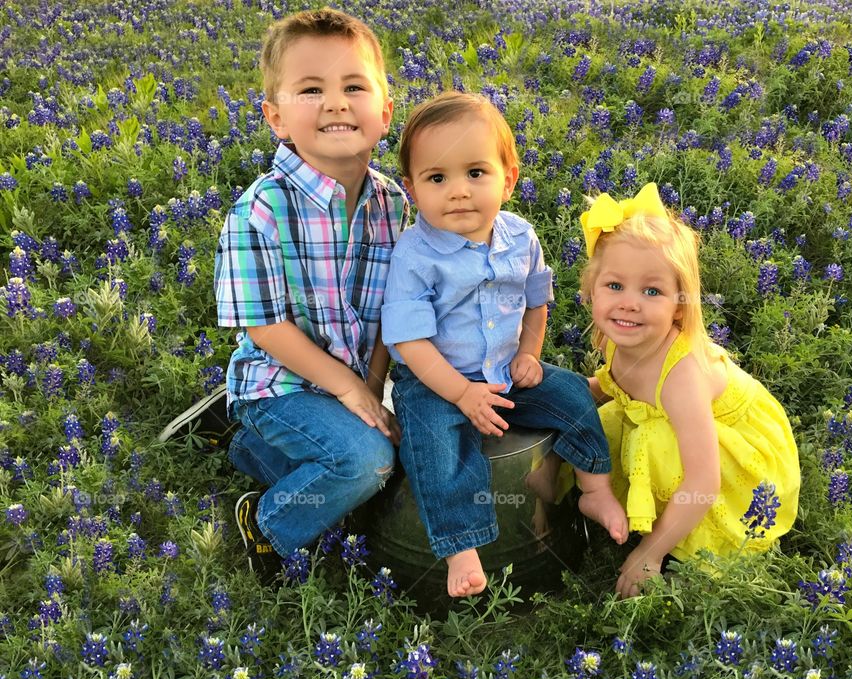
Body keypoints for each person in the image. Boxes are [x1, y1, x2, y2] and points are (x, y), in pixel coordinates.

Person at [381, 92, 628, 598]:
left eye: (476, 173)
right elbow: (410, 341)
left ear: (508, 179)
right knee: (434, 445)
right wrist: (460, 394)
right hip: (434, 381)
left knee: (572, 396)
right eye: (437, 178)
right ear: (411, 190)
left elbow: (536, 301)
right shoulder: (414, 254)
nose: (458, 192)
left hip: (503, 371)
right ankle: (460, 546)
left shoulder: (521, 237)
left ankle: (593, 489)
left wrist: (530, 354)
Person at [213, 8, 408, 579]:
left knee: (421, 443)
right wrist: (351, 391)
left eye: (354, 86)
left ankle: (251, 451)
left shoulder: (391, 203)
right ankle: (270, 523)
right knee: (369, 462)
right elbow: (266, 328)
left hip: (362, 375)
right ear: (276, 117)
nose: (335, 102)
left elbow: (388, 310)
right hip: (281, 383)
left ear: (384, 111)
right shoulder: (258, 212)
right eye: (310, 89)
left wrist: (371, 387)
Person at [577, 183, 801, 598]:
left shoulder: (682, 375)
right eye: (614, 286)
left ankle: (677, 537)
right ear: (591, 289)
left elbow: (704, 478)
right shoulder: (623, 335)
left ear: (679, 305)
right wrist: (554, 391)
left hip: (730, 467)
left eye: (651, 291)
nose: (629, 303)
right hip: (679, 431)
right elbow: (612, 387)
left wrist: (650, 552)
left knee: (656, 440)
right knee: (588, 421)